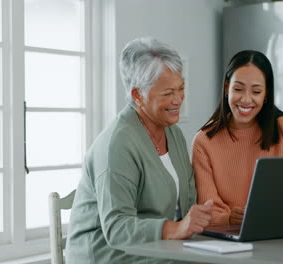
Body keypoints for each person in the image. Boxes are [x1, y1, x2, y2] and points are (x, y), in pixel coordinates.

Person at [65, 37, 213, 263]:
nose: (178, 99)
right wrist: (174, 229)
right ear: (137, 95)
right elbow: (117, 228)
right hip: (108, 256)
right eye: (167, 93)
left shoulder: (174, 135)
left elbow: (187, 204)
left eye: (181, 88)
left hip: (156, 251)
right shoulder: (117, 145)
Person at [192, 50, 283, 226]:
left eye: (256, 91)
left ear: (266, 94)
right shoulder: (203, 141)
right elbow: (208, 210)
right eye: (238, 89)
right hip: (228, 237)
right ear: (227, 88)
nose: (245, 99)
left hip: (278, 231)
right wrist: (228, 218)